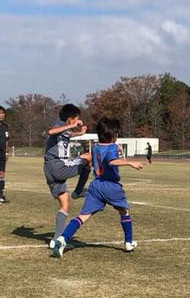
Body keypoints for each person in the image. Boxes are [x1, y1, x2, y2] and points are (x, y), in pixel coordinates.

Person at [51, 117, 142, 258]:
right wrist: (130, 163)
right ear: (114, 135)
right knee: (124, 212)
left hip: (96, 186)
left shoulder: (95, 147)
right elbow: (111, 161)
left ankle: (62, 239)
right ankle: (129, 242)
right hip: (111, 186)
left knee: (83, 216)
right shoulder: (112, 147)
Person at [44, 104, 92, 249]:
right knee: (89, 157)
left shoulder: (65, 130)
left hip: (50, 169)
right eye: (76, 119)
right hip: (57, 166)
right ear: (70, 119)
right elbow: (51, 131)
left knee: (65, 204)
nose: (78, 121)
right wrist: (72, 126)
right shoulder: (59, 125)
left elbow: (66, 135)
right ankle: (78, 191)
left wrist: (80, 134)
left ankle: (55, 240)